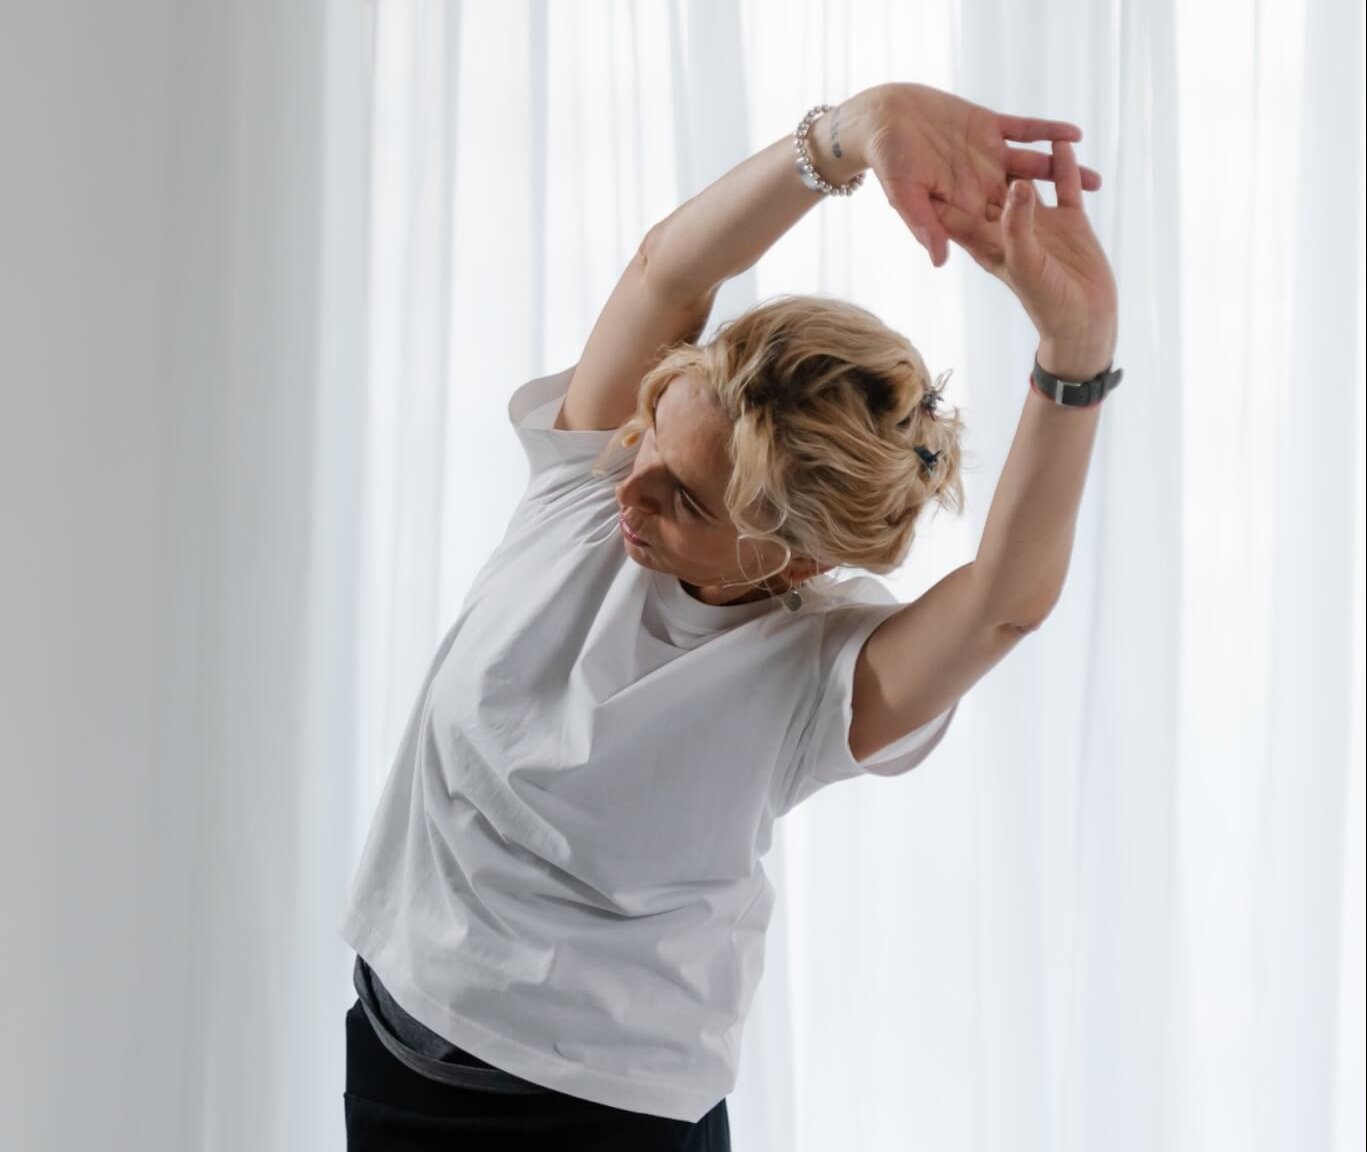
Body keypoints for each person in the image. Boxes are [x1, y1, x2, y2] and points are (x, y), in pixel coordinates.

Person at [339, 81, 1119, 1150]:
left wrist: (1074, 351)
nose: (632, 487)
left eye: (688, 500)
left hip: (602, 1117)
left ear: (798, 555)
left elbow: (1000, 604)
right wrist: (848, 135)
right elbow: (668, 272)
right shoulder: (587, 486)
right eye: (650, 432)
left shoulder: (810, 680)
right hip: (395, 1046)